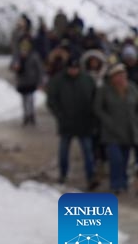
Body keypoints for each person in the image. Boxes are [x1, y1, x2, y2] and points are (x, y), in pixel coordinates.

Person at [45, 55, 98, 190]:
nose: (73, 71)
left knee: (87, 151)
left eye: (76, 68)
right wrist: (60, 115)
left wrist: (92, 116)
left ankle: (91, 177)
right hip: (66, 123)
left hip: (84, 123)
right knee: (63, 151)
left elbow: (95, 98)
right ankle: (63, 174)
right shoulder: (58, 81)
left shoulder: (87, 80)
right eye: (71, 68)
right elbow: (51, 100)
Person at [93, 63, 138, 195]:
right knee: (115, 159)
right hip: (111, 131)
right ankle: (115, 184)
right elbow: (97, 108)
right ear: (112, 77)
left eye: (123, 75)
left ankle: (123, 182)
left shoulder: (132, 88)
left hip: (129, 130)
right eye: (118, 75)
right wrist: (108, 120)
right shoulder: (104, 90)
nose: (121, 78)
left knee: (124, 159)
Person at [10, 38, 43, 126]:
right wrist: (15, 67)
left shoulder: (34, 55)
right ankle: (26, 116)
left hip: (31, 82)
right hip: (22, 82)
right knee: (24, 100)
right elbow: (12, 66)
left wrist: (40, 82)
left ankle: (31, 115)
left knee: (30, 99)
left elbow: (39, 69)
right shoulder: (17, 55)